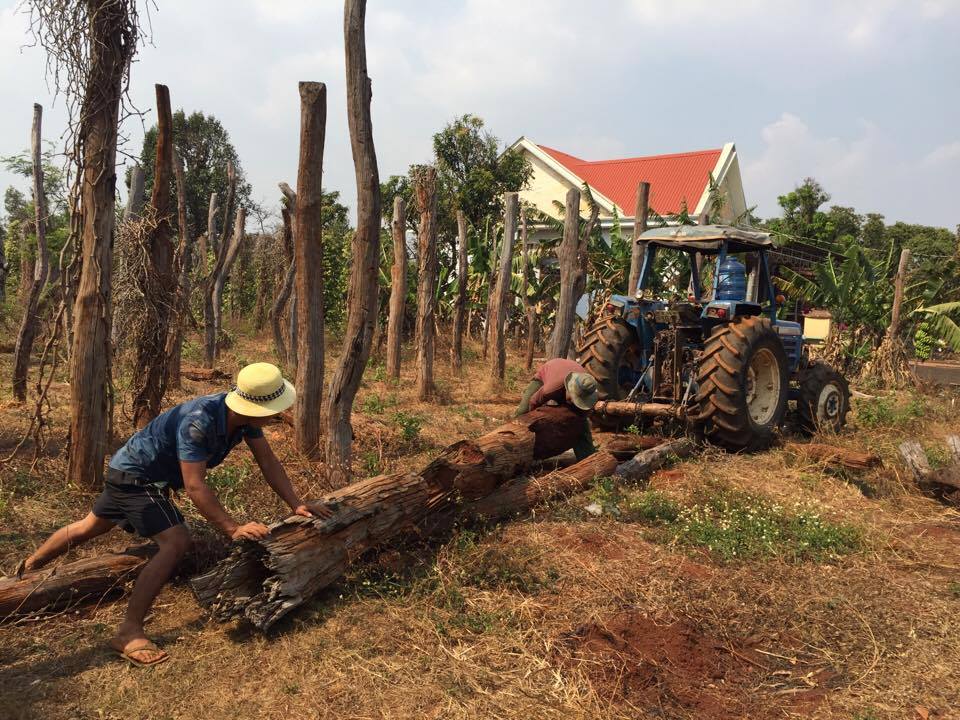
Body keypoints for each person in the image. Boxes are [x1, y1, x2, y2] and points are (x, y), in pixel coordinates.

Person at [14, 362, 324, 667]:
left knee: (89, 526)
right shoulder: (199, 422)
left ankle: (25, 570)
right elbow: (195, 486)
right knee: (176, 541)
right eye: (276, 408)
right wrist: (232, 528)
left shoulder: (244, 420)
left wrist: (295, 504)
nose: (278, 414)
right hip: (136, 477)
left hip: (132, 470)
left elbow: (268, 461)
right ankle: (129, 632)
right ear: (256, 406)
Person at [515, 357, 599, 460]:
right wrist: (531, 422)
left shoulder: (588, 387)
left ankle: (587, 457)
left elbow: (584, 416)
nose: (574, 402)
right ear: (569, 387)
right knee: (522, 411)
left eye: (578, 400)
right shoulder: (551, 388)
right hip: (546, 374)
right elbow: (533, 402)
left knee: (580, 423)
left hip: (567, 373)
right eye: (573, 398)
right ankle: (513, 439)